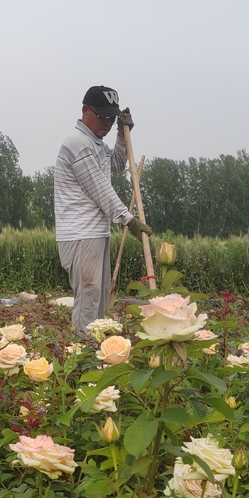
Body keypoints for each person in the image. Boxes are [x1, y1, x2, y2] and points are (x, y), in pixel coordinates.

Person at [54, 85, 152, 335]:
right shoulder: (79, 144)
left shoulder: (95, 144)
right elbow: (100, 190)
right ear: (85, 111)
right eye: (102, 117)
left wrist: (122, 134)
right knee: (89, 297)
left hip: (95, 233)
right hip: (80, 234)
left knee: (97, 296)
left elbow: (117, 164)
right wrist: (129, 221)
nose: (107, 123)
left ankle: (93, 348)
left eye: (112, 118)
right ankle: (82, 352)